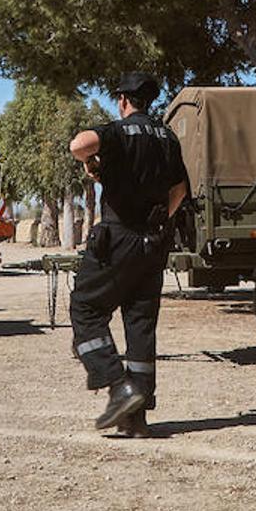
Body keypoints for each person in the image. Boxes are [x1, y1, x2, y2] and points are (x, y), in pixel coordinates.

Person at [68, 72, 188, 437]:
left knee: (86, 309)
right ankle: (136, 418)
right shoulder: (167, 137)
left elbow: (79, 145)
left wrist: (89, 158)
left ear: (122, 100)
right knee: (140, 325)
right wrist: (158, 220)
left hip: (118, 238)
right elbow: (179, 190)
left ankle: (118, 386)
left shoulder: (119, 132)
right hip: (153, 242)